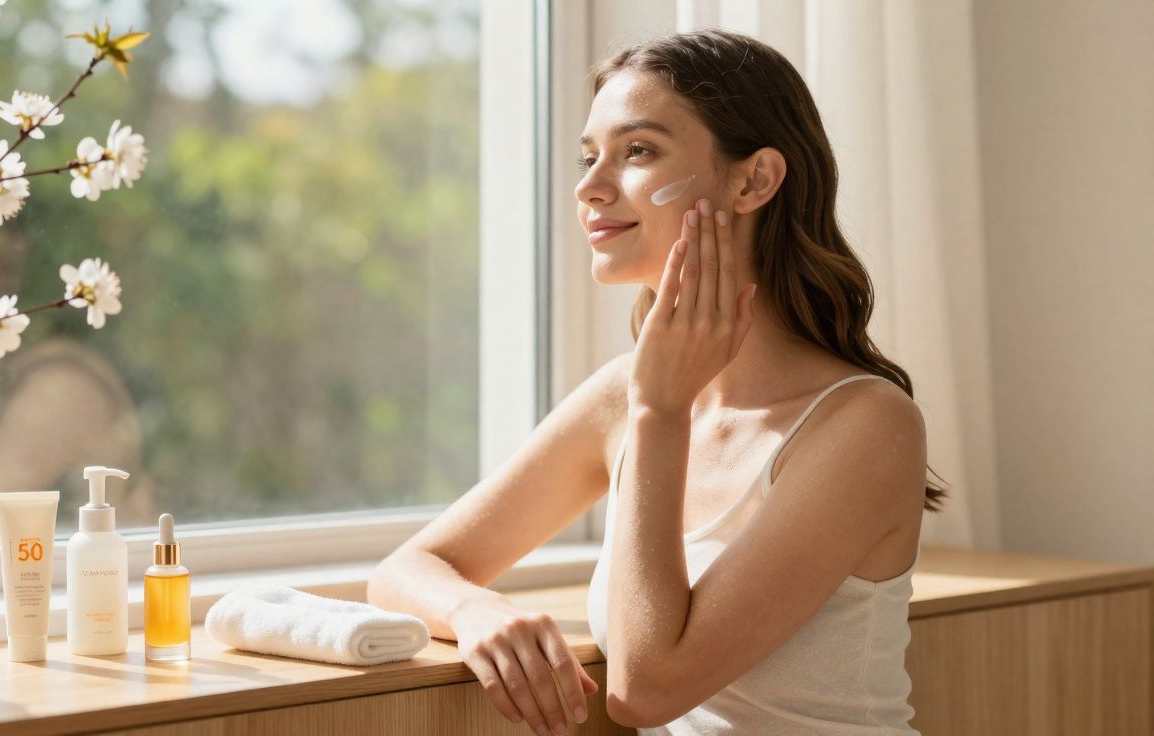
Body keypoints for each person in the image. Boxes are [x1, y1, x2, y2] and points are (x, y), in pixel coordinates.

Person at [368, 27, 946, 735]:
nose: (589, 187)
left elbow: (646, 690)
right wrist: (475, 608)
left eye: (638, 151)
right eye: (589, 157)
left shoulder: (865, 425)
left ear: (754, 180)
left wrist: (661, 412)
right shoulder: (624, 396)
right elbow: (406, 568)